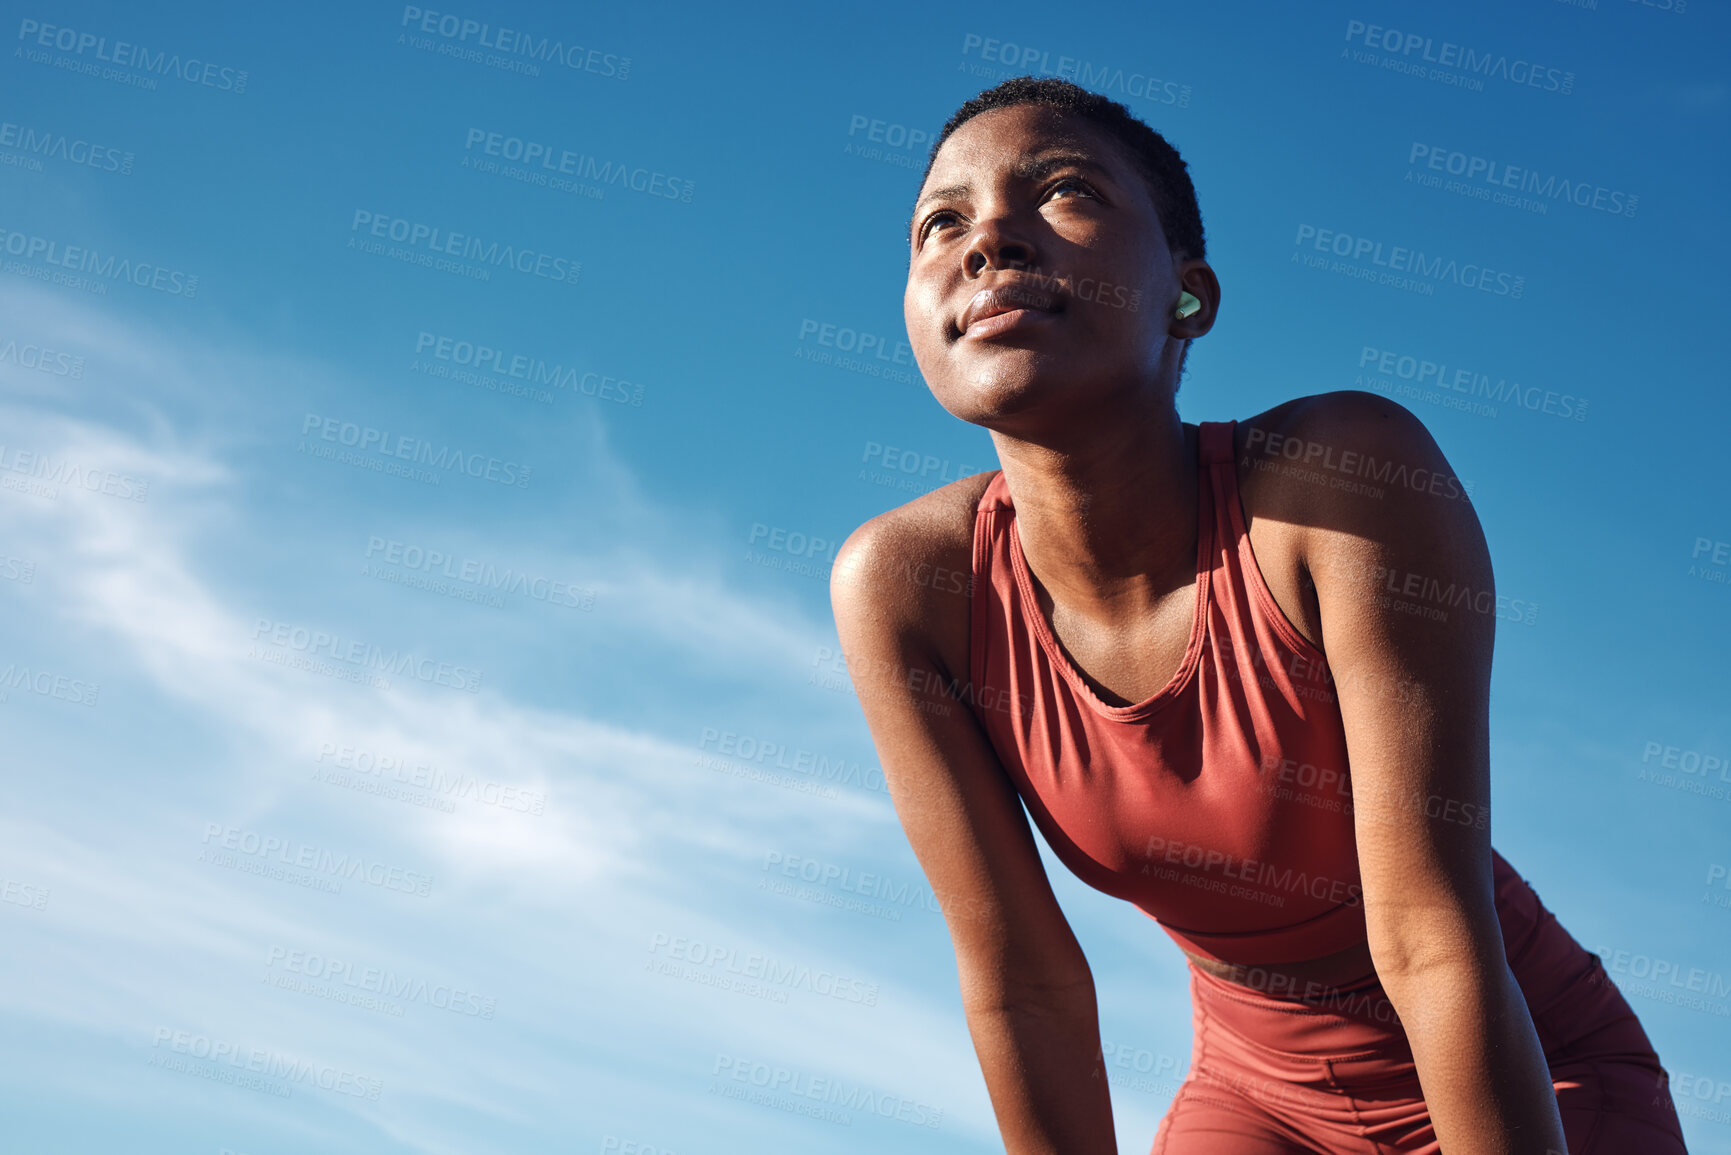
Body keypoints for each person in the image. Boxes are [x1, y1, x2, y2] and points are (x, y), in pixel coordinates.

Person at [827, 76, 1687, 1155]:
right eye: (940, 224)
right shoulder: (907, 586)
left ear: (1189, 295)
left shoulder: (1339, 485)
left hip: (1524, 1070)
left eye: (1062, 191)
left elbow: (1430, 938)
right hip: (1259, 1099)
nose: (987, 235)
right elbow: (1022, 984)